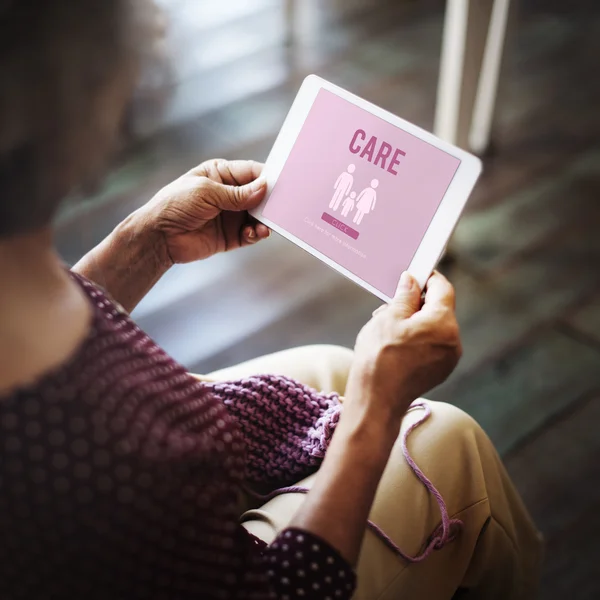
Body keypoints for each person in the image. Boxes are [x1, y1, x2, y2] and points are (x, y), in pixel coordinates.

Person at [0, 1, 543, 599]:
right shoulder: (122, 458)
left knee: (329, 366)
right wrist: (376, 406)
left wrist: (144, 246)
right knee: (449, 440)